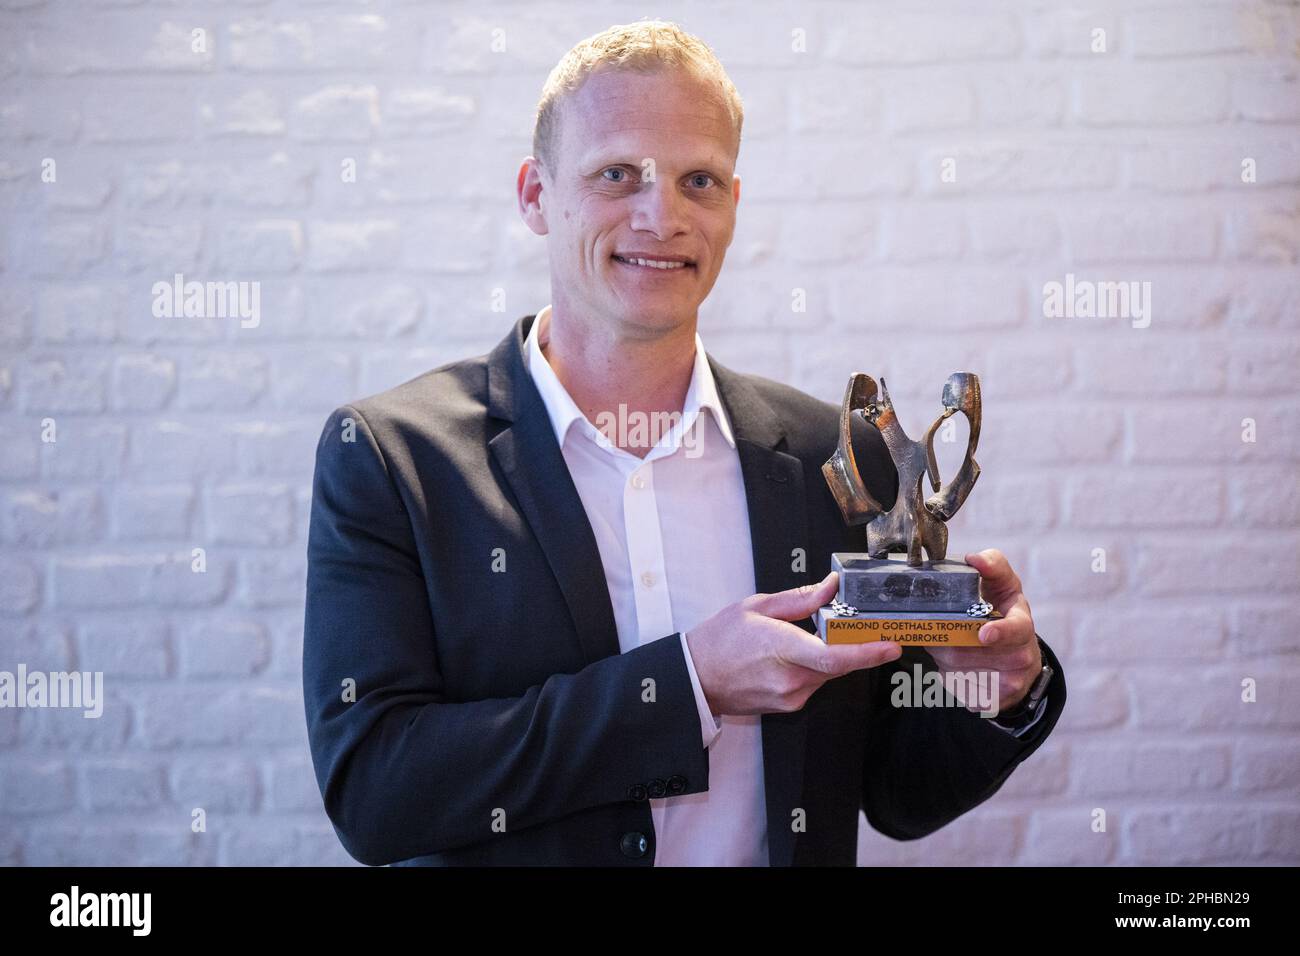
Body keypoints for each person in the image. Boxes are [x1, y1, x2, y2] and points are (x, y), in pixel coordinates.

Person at [302, 19, 1066, 867]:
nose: (661, 216)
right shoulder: (393, 458)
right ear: (535, 195)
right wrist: (690, 683)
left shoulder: (838, 457)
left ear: (732, 204)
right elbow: (376, 791)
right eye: (617, 175)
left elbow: (894, 792)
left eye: (697, 180)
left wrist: (994, 689)